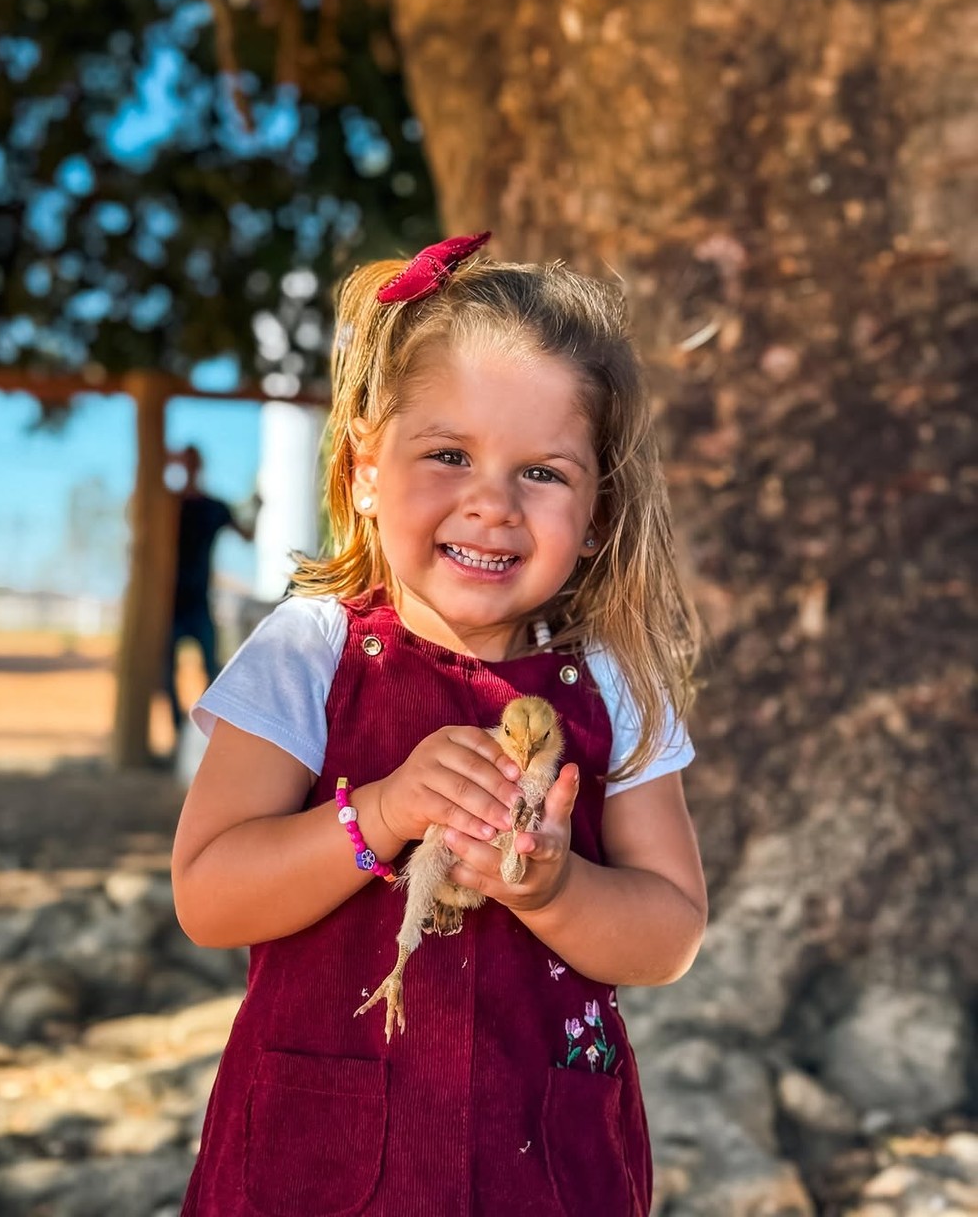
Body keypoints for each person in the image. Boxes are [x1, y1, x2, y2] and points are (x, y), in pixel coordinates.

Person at [172, 232, 708, 1217]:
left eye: (542, 472)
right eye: (449, 454)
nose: (491, 503)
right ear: (366, 469)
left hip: (546, 1163)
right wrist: (374, 814)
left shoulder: (615, 684)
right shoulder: (309, 651)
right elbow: (209, 894)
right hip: (314, 1162)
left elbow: (670, 929)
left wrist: (552, 889)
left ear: (596, 512)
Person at [164, 445, 258, 734]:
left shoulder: (210, 507)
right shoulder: (168, 504)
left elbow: (247, 535)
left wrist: (258, 507)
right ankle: (181, 731)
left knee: (213, 671)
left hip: (198, 601)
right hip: (170, 603)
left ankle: (197, 730)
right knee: (167, 673)